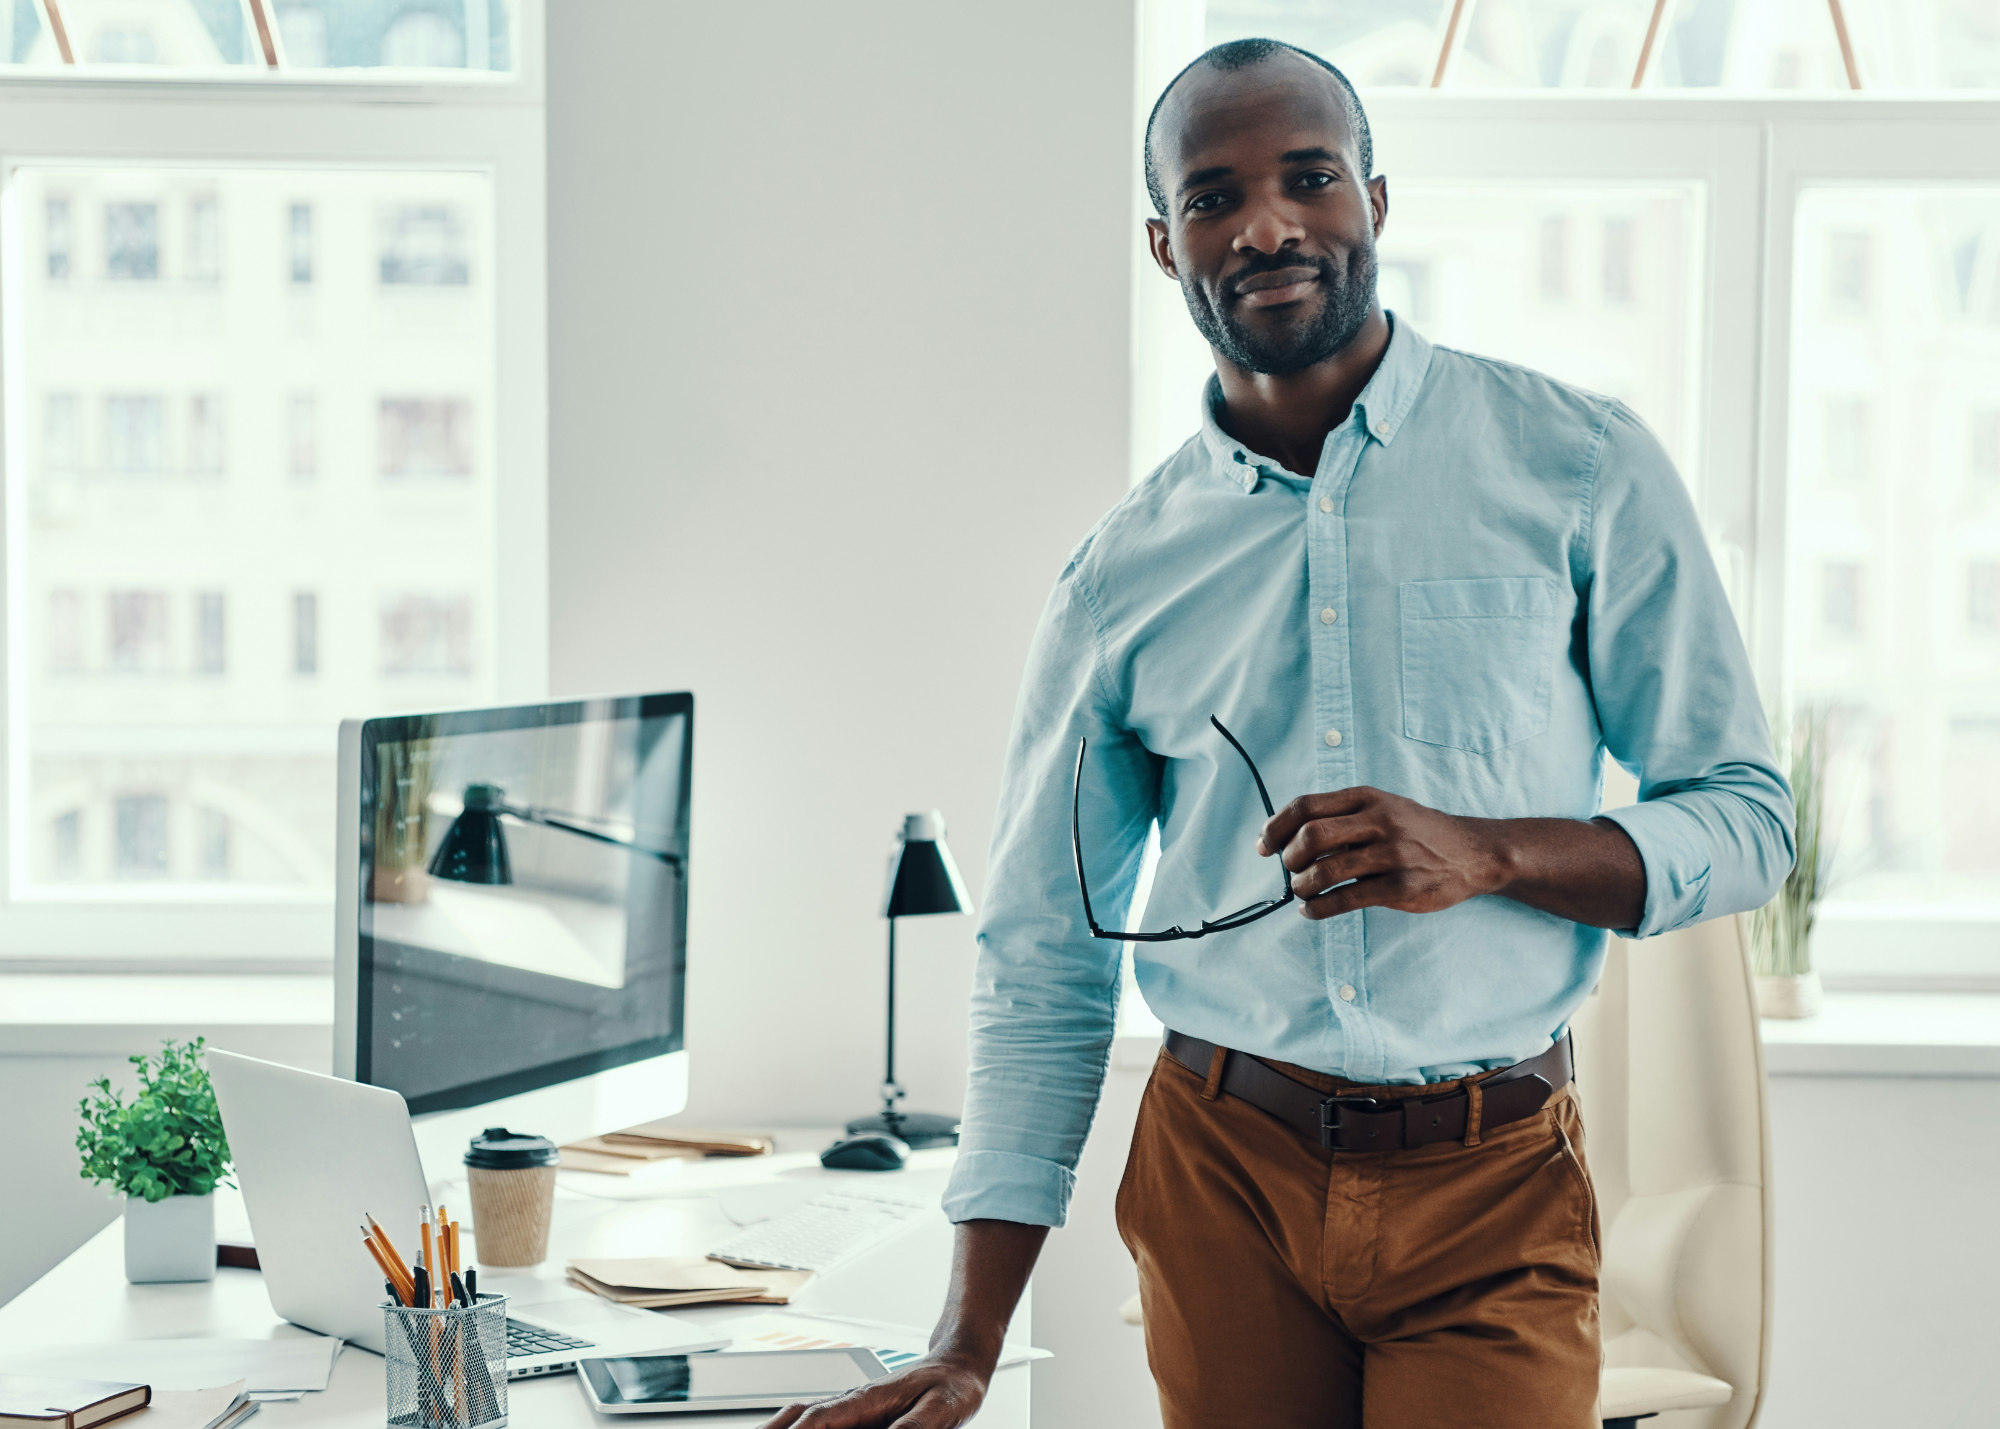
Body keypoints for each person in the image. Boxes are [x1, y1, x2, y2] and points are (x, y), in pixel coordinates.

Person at [763, 36, 1793, 1429]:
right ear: (1161, 241)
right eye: (1212, 195)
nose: (1265, 223)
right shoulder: (1119, 576)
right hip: (1219, 1177)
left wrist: (1488, 851)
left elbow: (1745, 817)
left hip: (1490, 1185)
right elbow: (1042, 957)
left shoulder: (1579, 464)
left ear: (1375, 197)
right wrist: (968, 1338)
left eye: (1310, 177)